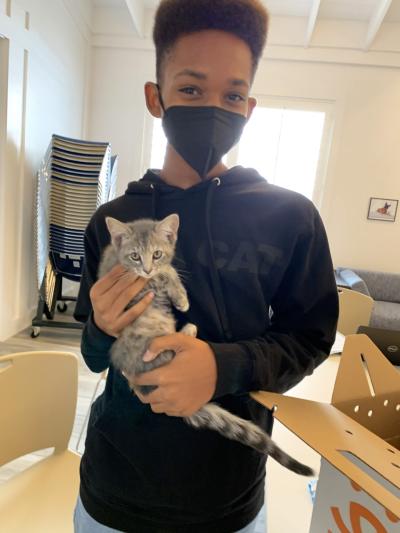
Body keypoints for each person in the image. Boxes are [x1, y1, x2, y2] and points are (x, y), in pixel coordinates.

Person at [73, 1, 339, 532]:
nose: (213, 108)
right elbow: (94, 356)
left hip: (229, 501)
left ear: (250, 107)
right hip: (113, 494)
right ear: (156, 97)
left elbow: (309, 341)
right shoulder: (115, 219)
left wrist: (222, 366)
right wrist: (101, 328)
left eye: (233, 94)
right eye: (191, 89)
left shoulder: (291, 217)